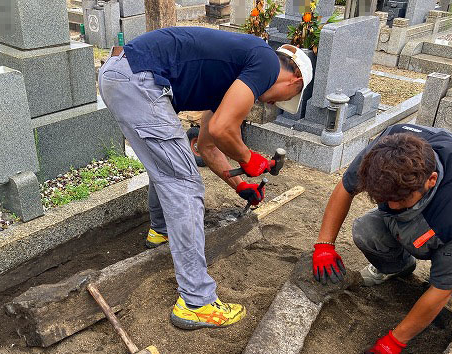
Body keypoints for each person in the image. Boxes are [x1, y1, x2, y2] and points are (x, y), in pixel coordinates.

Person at [98, 27, 313, 330]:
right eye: (283, 99)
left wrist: (242, 187)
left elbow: (208, 144)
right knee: (184, 184)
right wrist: (249, 159)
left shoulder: (234, 74)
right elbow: (225, 128)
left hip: (123, 74)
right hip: (137, 79)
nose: (273, 104)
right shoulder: (265, 62)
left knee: (168, 168)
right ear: (295, 80)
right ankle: (196, 303)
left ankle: (160, 231)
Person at [311, 124, 452, 354]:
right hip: (429, 217)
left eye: (399, 199)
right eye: (385, 200)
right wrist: (324, 245)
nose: (391, 205)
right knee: (367, 232)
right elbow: (346, 188)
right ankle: (400, 267)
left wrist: (396, 339)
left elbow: (443, 288)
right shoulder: (386, 150)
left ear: (431, 180)